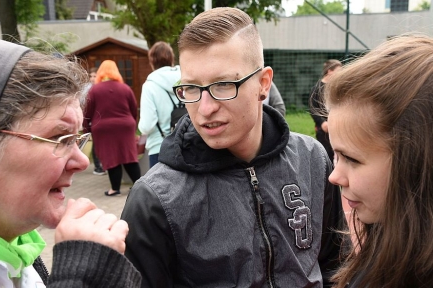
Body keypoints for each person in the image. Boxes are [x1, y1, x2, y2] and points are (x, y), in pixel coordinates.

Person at [121, 7, 345, 287]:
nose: (205, 108)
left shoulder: (312, 159)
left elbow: (335, 265)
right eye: (191, 88)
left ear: (263, 84)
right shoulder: (154, 200)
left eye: (223, 85)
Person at [0, 37, 141, 287]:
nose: (81, 161)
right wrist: (83, 275)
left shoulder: (14, 245)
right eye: (59, 138)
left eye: (76, 139)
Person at [325, 34, 433, 288]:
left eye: (351, 158)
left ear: (416, 162)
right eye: (336, 155)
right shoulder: (387, 246)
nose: (334, 176)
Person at [83, 60, 141, 196]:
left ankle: (115, 189)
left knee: (111, 157)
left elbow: (87, 113)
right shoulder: (125, 88)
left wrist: (87, 131)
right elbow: (134, 110)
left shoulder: (94, 90)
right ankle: (139, 187)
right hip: (125, 127)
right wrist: (132, 125)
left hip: (103, 129)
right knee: (129, 156)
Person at [138, 41, 181, 168]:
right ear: (172, 58)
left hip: (160, 147)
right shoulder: (186, 79)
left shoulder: (150, 86)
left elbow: (147, 125)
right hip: (188, 144)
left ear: (151, 61)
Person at [309, 59, 342, 161]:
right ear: (329, 71)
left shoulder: (336, 87)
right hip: (323, 130)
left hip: (336, 127)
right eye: (339, 70)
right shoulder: (317, 88)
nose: (341, 73)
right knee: (325, 154)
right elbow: (313, 108)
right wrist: (322, 123)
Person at [86, 67, 106, 176]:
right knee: (96, 144)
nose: (93, 78)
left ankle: (103, 164)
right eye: (91, 76)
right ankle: (97, 166)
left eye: (95, 76)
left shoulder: (101, 87)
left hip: (102, 119)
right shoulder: (87, 89)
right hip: (92, 120)